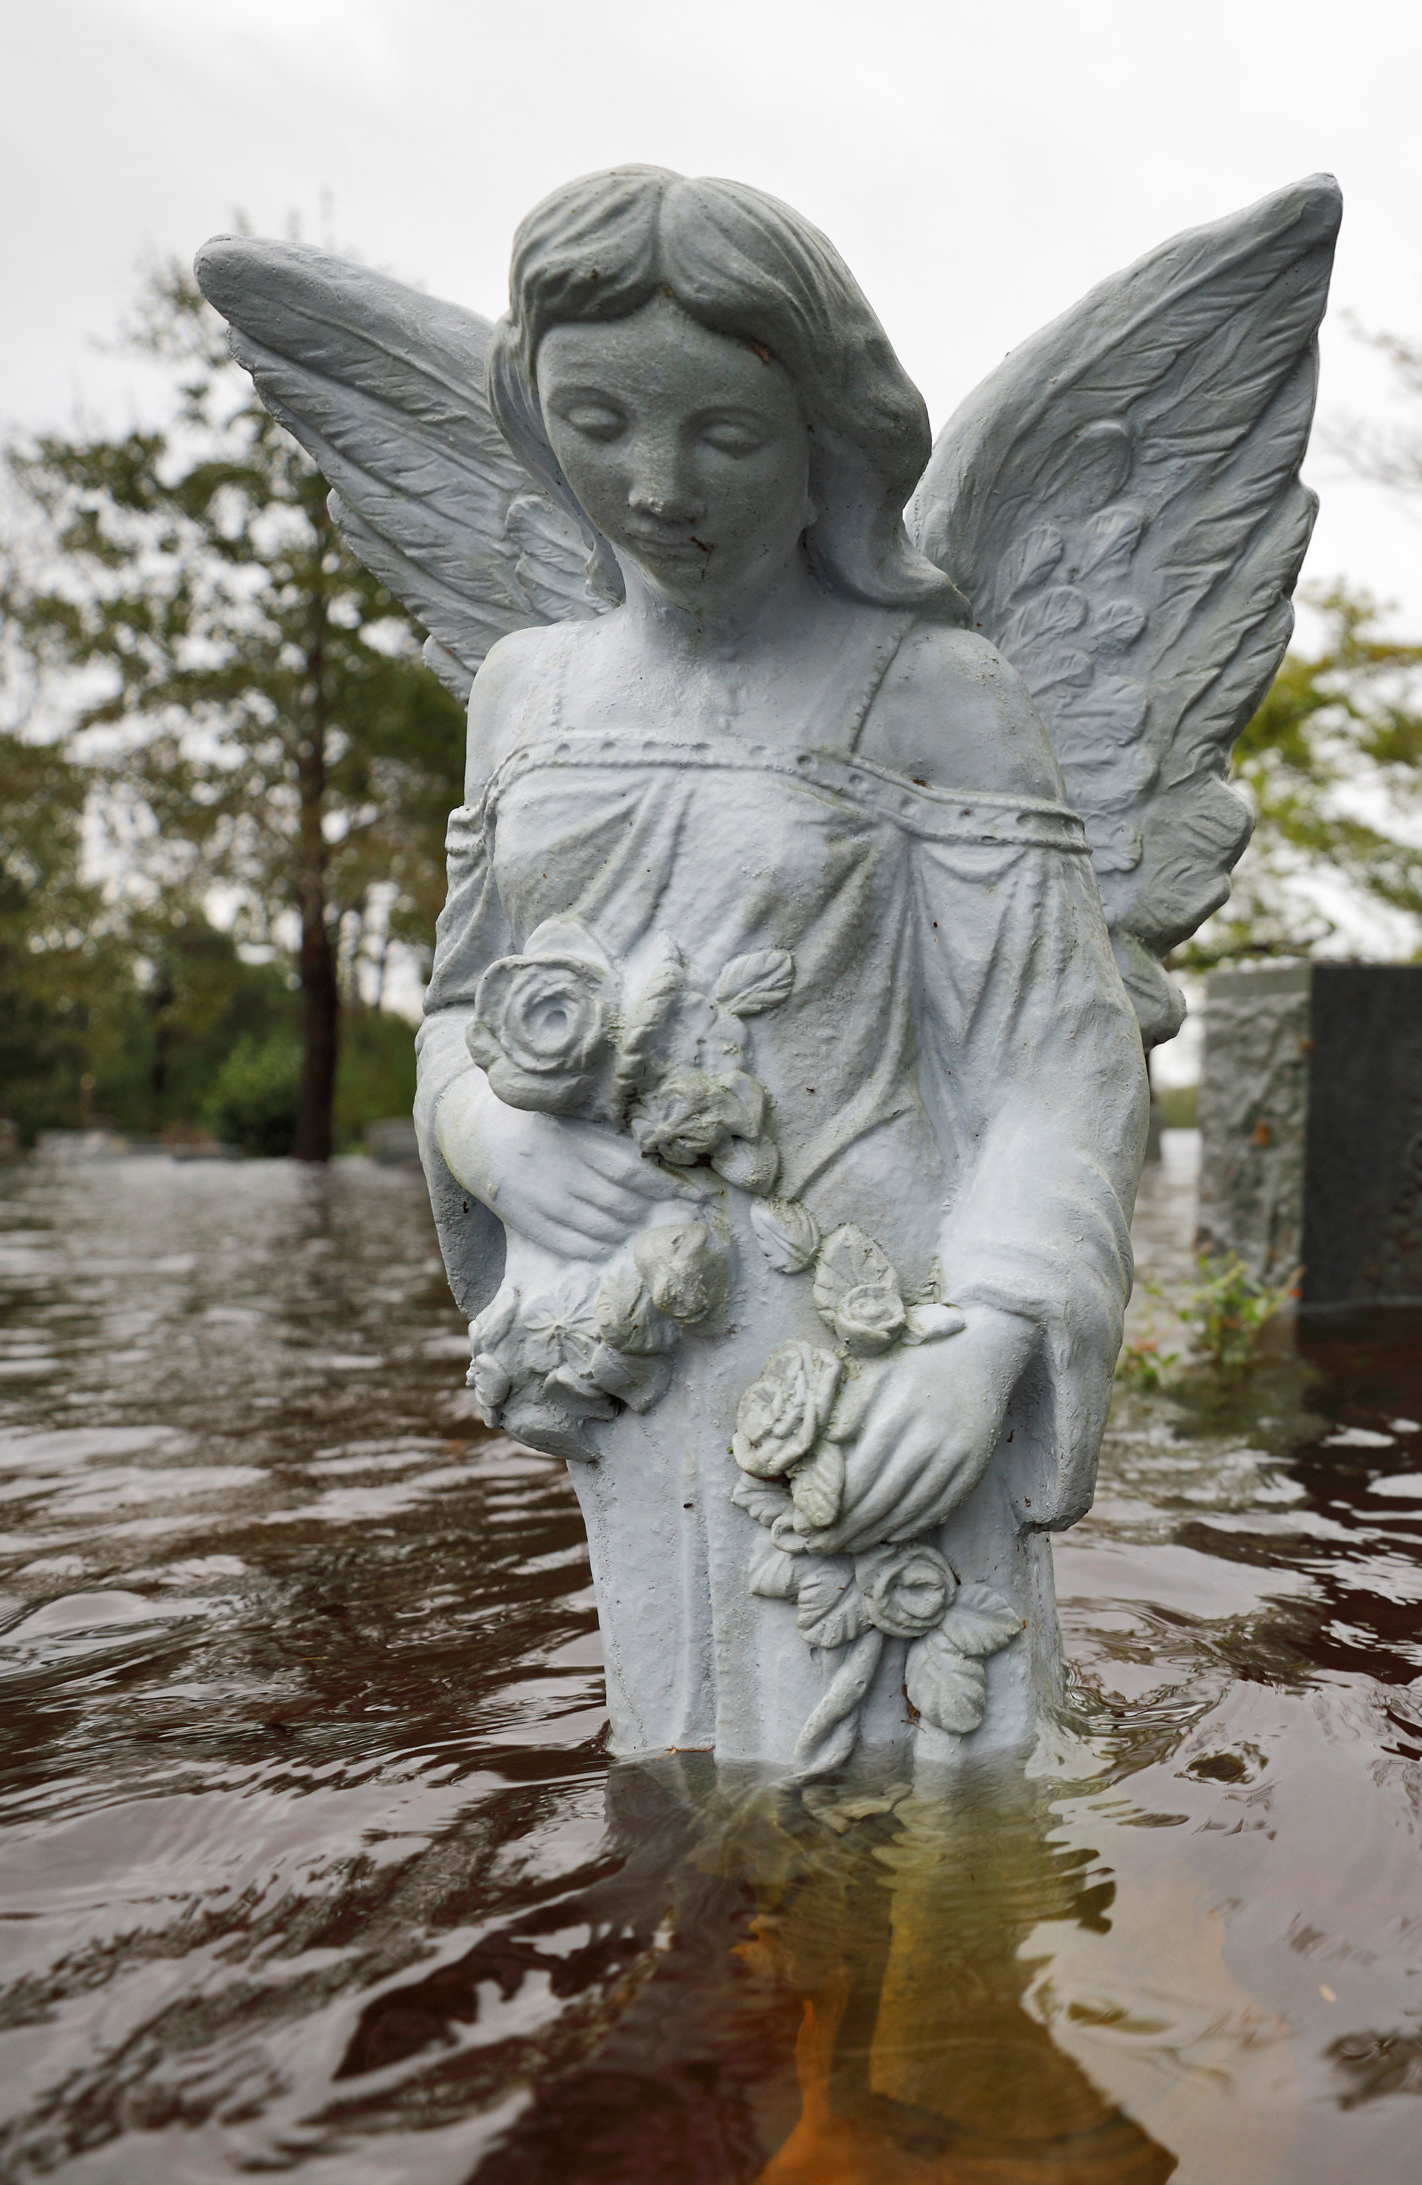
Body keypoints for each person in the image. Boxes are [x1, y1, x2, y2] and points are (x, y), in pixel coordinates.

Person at [413, 169, 1146, 1766]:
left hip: (882, 1355)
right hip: (632, 1352)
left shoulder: (934, 689)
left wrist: (993, 1338)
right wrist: (486, 1129)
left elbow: (1058, 1065)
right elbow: (458, 1005)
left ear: (824, 432)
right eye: (595, 421)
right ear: (536, 421)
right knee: (680, 1778)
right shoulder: (521, 696)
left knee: (913, 1802)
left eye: (723, 436)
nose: (655, 483)